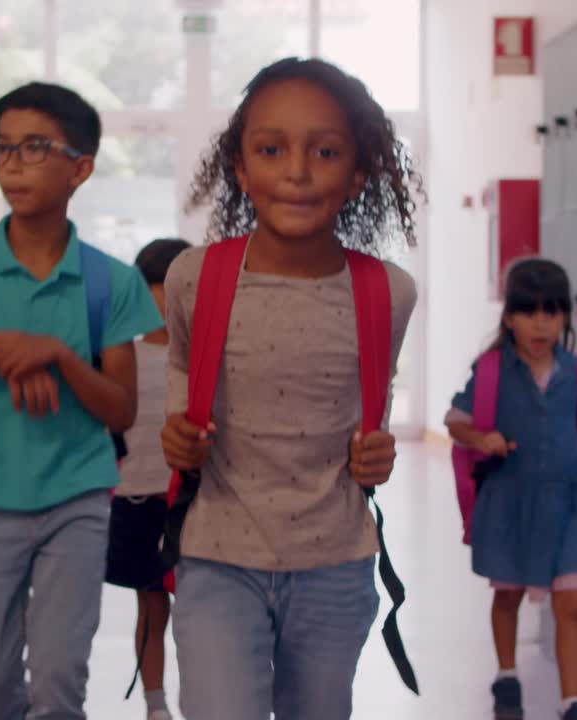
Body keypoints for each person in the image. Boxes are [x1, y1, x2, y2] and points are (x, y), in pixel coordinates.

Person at [160, 58, 421, 719]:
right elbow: (182, 379)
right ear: (241, 169)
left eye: (325, 151)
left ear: (360, 171)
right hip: (217, 557)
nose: (297, 171)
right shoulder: (196, 278)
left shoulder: (387, 291)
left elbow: (371, 412)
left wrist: (377, 457)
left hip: (335, 562)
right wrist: (177, 437)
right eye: (271, 150)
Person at [0, 82, 163, 720]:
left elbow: (121, 409)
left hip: (76, 500)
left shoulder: (111, 280)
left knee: (58, 679)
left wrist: (58, 355)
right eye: (2, 148)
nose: (12, 163)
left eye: (34, 147)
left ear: (80, 167)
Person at [445, 258, 577, 720]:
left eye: (551, 313)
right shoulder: (491, 371)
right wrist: (481, 438)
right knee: (507, 595)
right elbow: (456, 420)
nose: (541, 324)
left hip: (569, 506)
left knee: (570, 603)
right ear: (509, 317)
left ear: (565, 317)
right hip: (509, 504)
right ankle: (507, 673)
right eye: (529, 313)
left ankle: (573, 701)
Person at [105, 238, 192, 720]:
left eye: (172, 287)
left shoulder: (201, 359)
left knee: (200, 612)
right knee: (152, 609)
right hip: (137, 499)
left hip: (191, 501)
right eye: (153, 287)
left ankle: (197, 697)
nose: (163, 299)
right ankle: (155, 703)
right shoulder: (124, 356)